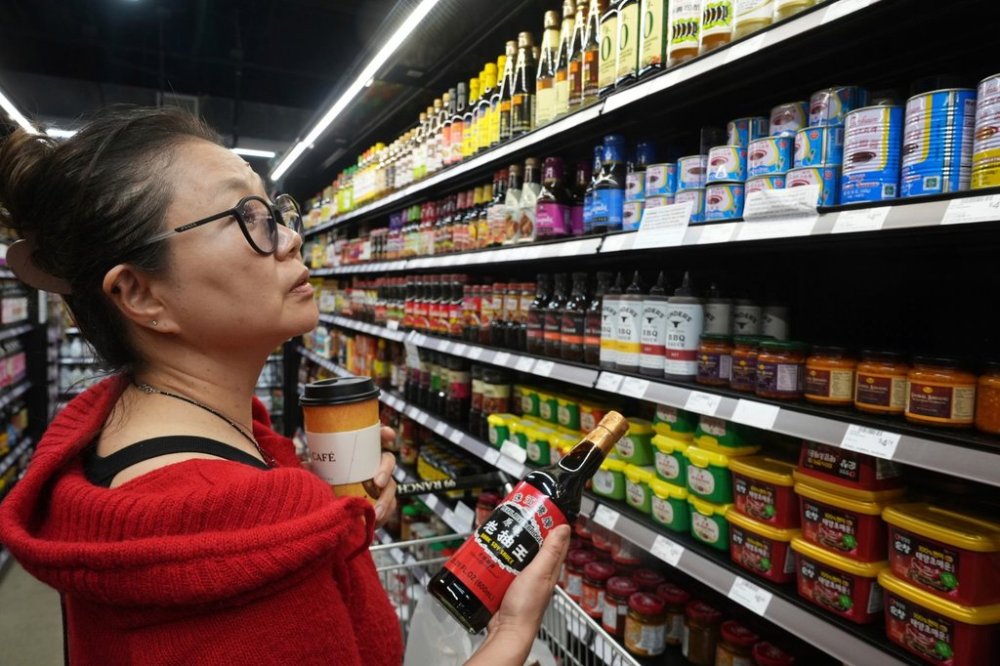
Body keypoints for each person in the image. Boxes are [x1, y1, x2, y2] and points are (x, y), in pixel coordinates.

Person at [0, 106, 570, 665]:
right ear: (141, 295)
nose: (291, 239)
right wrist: (511, 634)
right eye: (247, 217)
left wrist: (312, 516)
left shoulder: (131, 440)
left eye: (277, 210)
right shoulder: (232, 535)